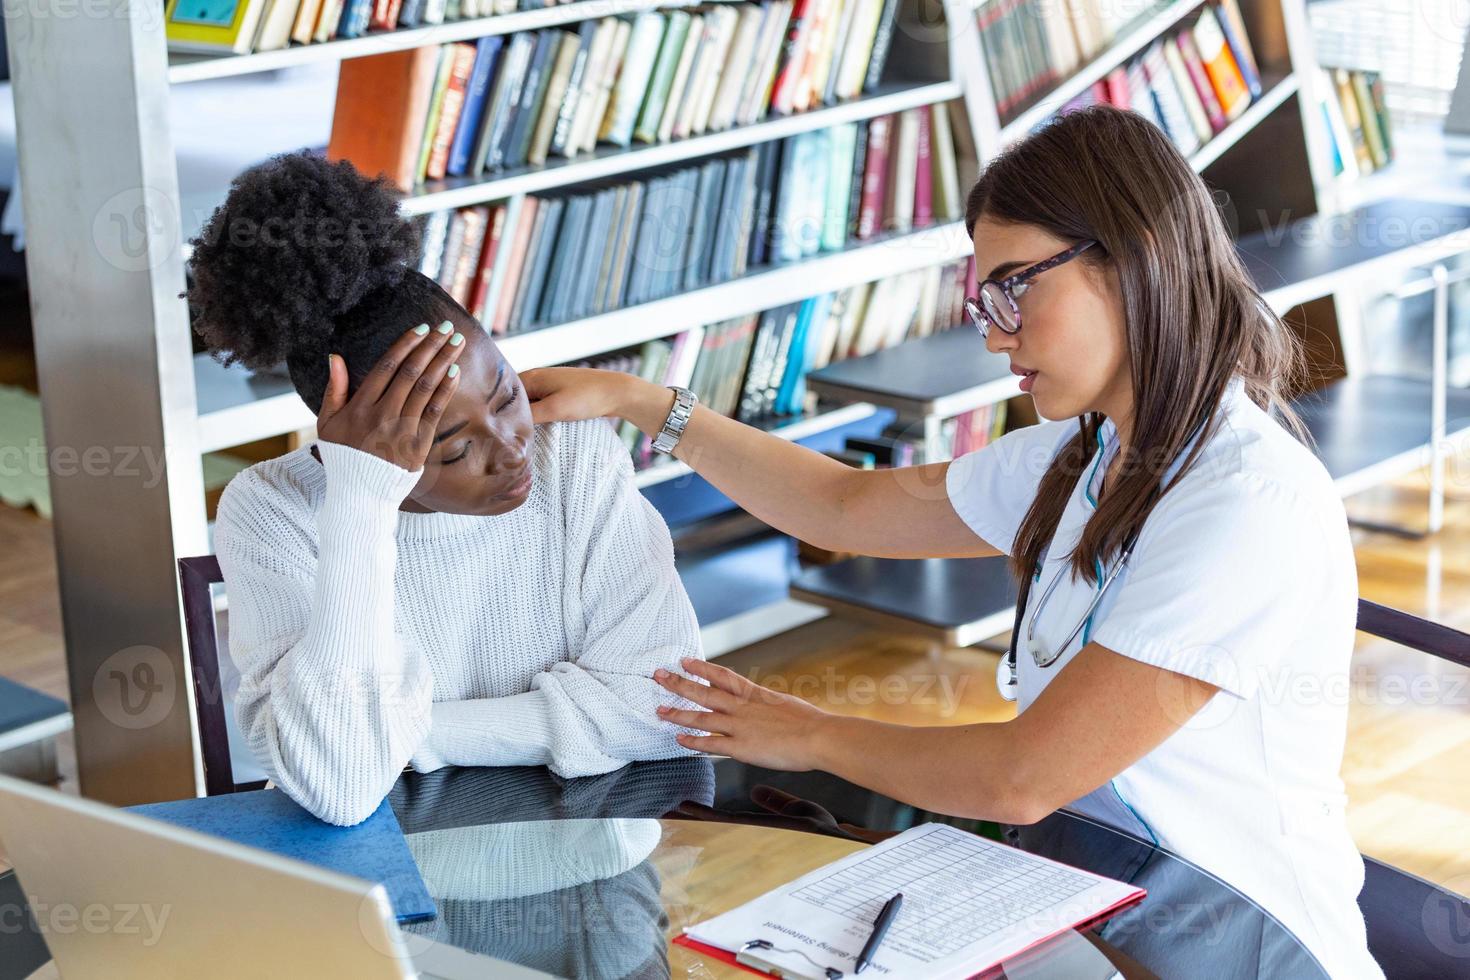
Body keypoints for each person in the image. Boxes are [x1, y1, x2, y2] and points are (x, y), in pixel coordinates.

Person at [522, 105, 1381, 978]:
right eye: (984, 301)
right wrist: (642, 404)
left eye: (1016, 288)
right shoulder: (1085, 453)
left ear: (1133, 260)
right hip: (1099, 908)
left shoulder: (1245, 502)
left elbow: (1024, 776)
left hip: (1241, 945)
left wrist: (812, 734)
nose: (996, 332)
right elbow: (843, 507)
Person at [187, 152, 703, 828]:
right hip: (387, 884)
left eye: (507, 392)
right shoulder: (275, 512)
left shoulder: (570, 454)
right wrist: (360, 503)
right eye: (456, 447)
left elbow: (667, 711)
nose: (513, 445)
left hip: (595, 866)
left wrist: (409, 735)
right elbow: (342, 786)